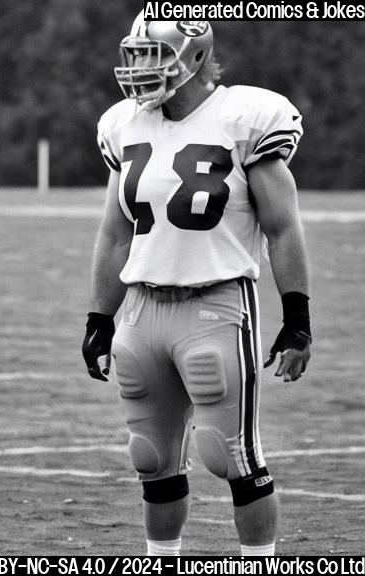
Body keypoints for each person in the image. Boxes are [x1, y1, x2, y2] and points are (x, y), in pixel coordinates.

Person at [82, 16, 311, 557]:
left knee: (230, 455)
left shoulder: (244, 118)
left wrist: (298, 319)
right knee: (152, 457)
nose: (140, 68)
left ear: (193, 57)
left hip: (215, 305)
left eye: (153, 54)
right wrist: (98, 317)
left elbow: (283, 229)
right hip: (141, 310)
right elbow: (116, 233)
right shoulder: (123, 124)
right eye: (135, 54)